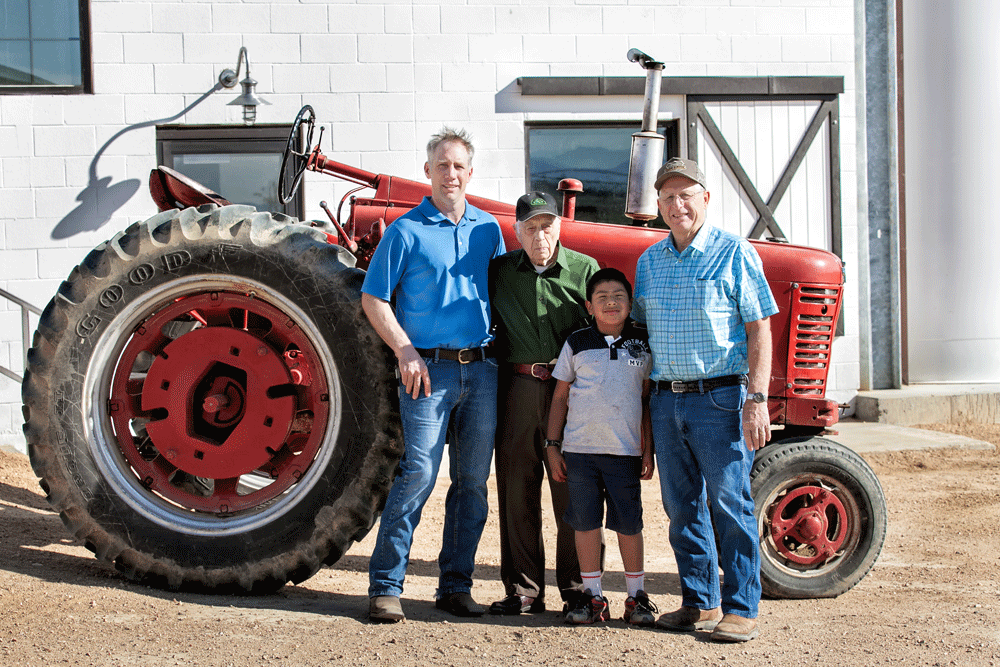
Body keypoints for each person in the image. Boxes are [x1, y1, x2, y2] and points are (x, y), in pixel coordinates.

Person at [362, 127, 506, 623]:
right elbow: (373, 297)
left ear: (471, 172)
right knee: (418, 473)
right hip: (428, 372)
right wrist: (404, 350)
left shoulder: (490, 230)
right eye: (442, 165)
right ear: (428, 172)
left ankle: (455, 586)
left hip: (481, 372)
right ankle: (385, 586)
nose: (451, 173)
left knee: (472, 482)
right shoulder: (406, 230)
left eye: (459, 166)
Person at [631, 157, 778, 642]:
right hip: (666, 400)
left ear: (705, 199)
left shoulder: (734, 253)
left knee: (729, 504)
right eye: (668, 197)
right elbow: (641, 335)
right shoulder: (649, 262)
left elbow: (760, 329)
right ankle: (700, 602)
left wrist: (757, 399)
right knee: (681, 506)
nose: (677, 205)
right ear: (658, 205)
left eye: (686, 195)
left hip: (720, 398)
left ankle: (742, 607)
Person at [487, 191, 599, 616]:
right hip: (516, 389)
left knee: (573, 491)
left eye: (547, 226)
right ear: (517, 232)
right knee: (517, 491)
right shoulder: (499, 271)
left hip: (567, 394)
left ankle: (578, 590)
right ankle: (524, 590)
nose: (540, 235)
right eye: (531, 227)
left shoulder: (584, 270)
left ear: (559, 228)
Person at [545, 268, 657, 626]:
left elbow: (646, 399)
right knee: (585, 523)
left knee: (629, 524)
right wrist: (552, 445)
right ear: (589, 306)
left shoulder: (643, 342)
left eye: (619, 296)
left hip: (624, 452)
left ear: (630, 303)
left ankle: (636, 597)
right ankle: (593, 597)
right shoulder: (577, 342)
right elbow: (560, 396)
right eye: (602, 297)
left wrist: (647, 449)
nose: (611, 302)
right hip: (579, 452)